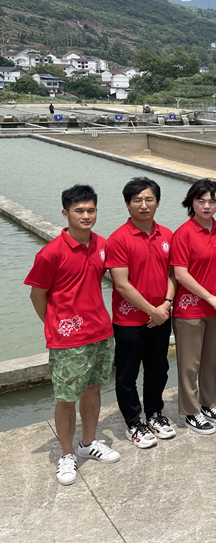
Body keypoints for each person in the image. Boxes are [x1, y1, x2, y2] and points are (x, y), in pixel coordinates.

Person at [25, 185, 120, 486]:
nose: (86, 215)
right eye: (79, 210)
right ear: (65, 214)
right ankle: (66, 454)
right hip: (68, 341)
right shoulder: (50, 253)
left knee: (93, 390)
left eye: (91, 210)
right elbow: (37, 296)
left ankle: (88, 443)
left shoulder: (102, 244)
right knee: (66, 399)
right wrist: (55, 324)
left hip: (101, 333)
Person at [106, 177, 176, 449]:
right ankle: (134, 422)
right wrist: (152, 311)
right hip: (129, 320)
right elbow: (121, 284)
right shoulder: (118, 239)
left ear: (157, 202)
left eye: (149, 199)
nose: (144, 205)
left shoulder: (167, 235)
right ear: (127, 204)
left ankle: (155, 413)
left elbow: (172, 274)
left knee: (158, 368)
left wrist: (166, 304)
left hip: (161, 315)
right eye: (137, 200)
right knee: (127, 374)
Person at [170, 179, 216, 435]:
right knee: (189, 365)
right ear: (191, 202)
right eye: (201, 200)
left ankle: (210, 404)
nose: (207, 206)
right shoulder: (183, 233)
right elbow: (181, 274)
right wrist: (208, 296)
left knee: (212, 360)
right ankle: (191, 411)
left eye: (212, 201)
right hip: (191, 309)